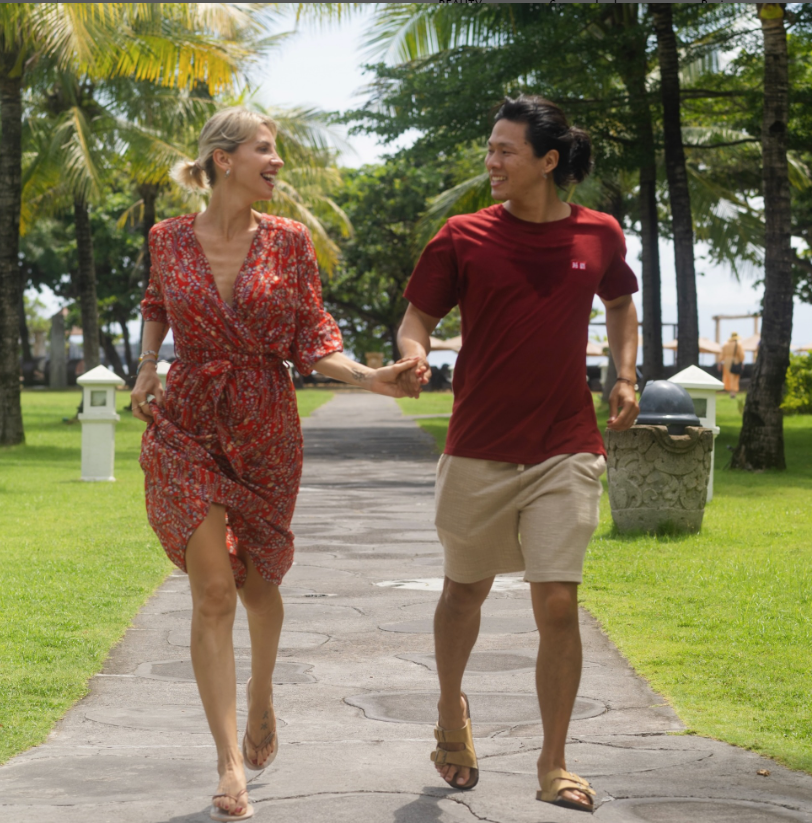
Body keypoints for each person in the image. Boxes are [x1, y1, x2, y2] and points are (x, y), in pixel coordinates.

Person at [130, 107, 420, 822]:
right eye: (264, 149)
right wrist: (147, 364)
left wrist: (372, 379)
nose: (278, 161)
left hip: (265, 424)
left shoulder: (289, 241)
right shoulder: (167, 237)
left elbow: (313, 337)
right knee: (213, 592)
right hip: (188, 419)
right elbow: (157, 301)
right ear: (223, 159)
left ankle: (261, 691)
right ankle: (229, 763)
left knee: (258, 582)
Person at [396, 95, 640, 814]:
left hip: (566, 444)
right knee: (464, 591)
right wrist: (414, 355)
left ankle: (553, 762)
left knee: (558, 601)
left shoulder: (599, 233)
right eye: (490, 148)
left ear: (548, 160)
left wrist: (625, 374)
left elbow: (620, 302)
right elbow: (417, 317)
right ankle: (451, 710)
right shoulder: (463, 235)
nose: (492, 161)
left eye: (505, 150)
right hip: (479, 445)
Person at [720, 331, 745, 398]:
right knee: (734, 378)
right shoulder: (738, 345)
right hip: (735, 362)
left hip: (726, 362)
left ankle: (730, 391)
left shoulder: (725, 344)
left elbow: (721, 355)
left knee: (728, 377)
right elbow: (741, 355)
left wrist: (720, 362)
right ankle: (733, 393)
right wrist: (742, 362)